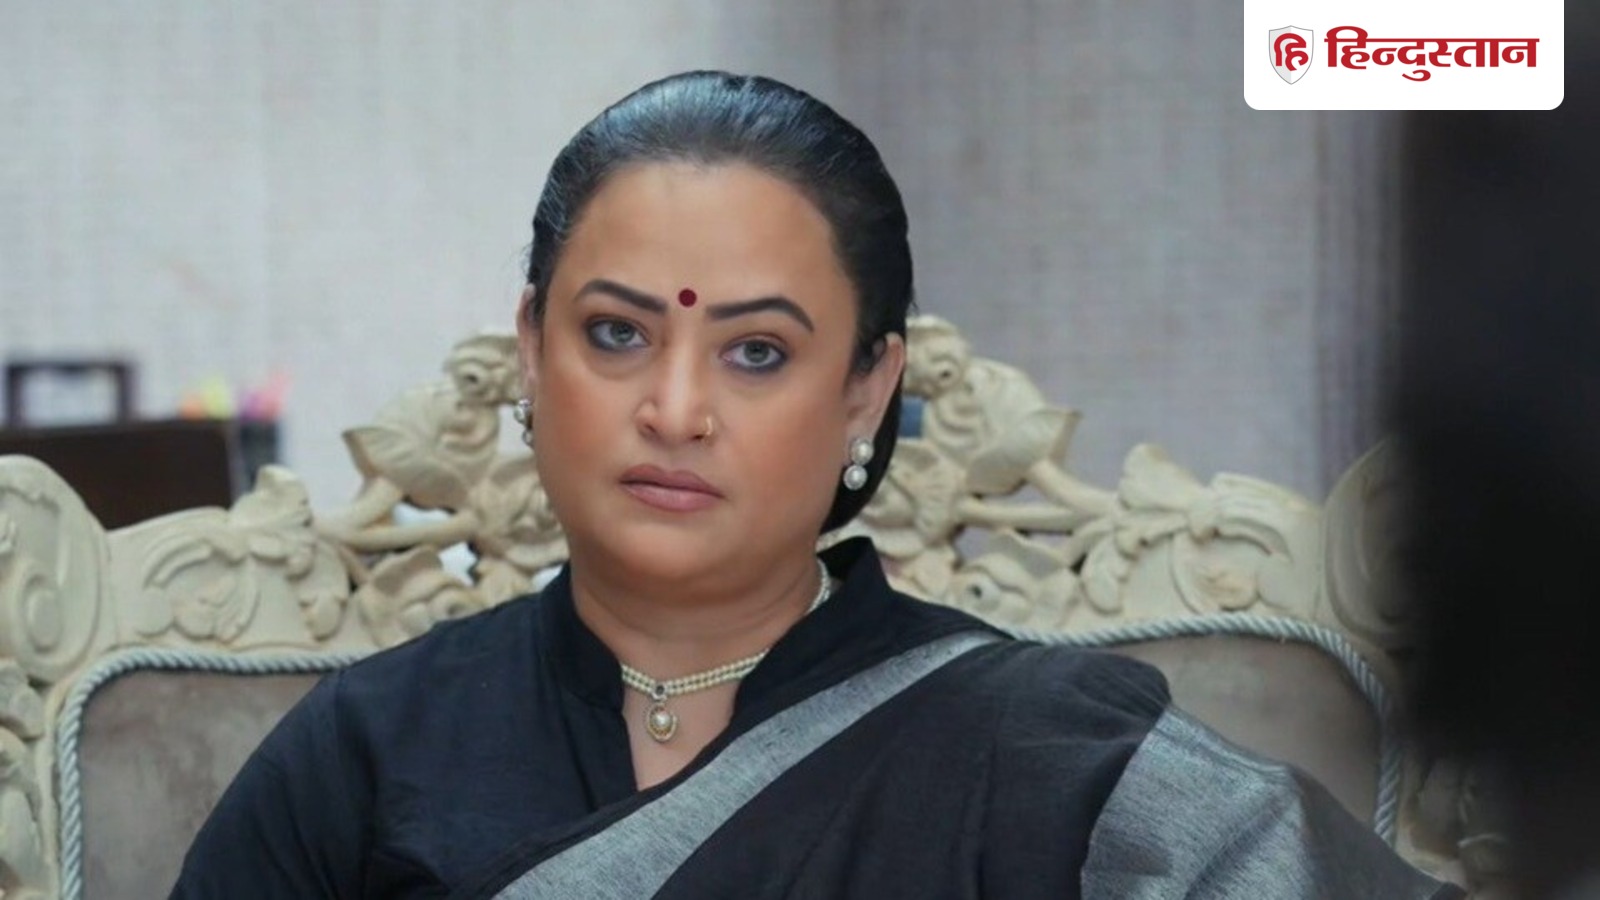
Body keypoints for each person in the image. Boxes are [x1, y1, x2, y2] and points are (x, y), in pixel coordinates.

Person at [170, 70, 1457, 899]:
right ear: (530, 349)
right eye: (616, 333)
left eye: (756, 353)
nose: (675, 408)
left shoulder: (1042, 754)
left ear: (863, 388)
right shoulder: (368, 750)